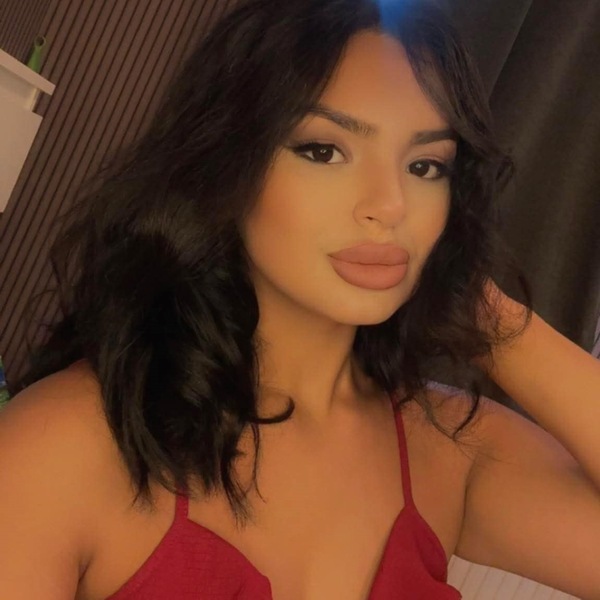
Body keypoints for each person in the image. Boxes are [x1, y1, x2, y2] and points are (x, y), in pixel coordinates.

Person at [1, 0, 599, 598]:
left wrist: (491, 319)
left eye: (425, 166)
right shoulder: (63, 447)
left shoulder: (449, 445)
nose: (391, 205)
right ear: (227, 163)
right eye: (324, 151)